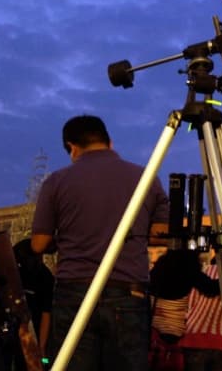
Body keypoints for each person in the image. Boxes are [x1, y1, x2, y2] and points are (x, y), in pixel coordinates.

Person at [31, 114, 169, 370]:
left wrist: (67, 238)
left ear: (72, 148)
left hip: (75, 291)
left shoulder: (56, 182)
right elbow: (160, 233)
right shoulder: (146, 178)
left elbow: (39, 244)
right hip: (129, 291)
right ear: (109, 142)